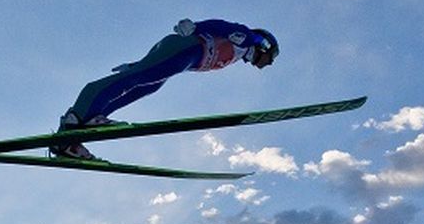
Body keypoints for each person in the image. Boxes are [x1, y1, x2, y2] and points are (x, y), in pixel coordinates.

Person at [52, 18, 279, 159]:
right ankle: (78, 115)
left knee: (147, 85)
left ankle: (85, 125)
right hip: (186, 49)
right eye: (270, 58)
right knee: (142, 78)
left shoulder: (239, 54)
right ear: (266, 46)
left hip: (184, 58)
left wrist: (136, 65)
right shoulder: (250, 38)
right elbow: (224, 26)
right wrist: (196, 26)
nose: (267, 64)